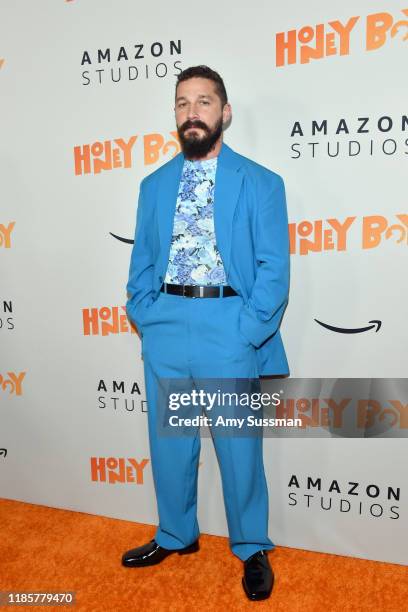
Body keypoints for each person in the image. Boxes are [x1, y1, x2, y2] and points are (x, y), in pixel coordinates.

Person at [122, 65, 290, 601]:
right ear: (175, 115)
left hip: (229, 327)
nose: (192, 112)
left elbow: (273, 268)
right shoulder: (153, 185)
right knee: (170, 445)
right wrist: (145, 314)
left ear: (225, 112)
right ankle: (175, 533)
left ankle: (250, 546)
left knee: (239, 447)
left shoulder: (261, 182)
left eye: (204, 101)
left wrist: (247, 330)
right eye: (182, 103)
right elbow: (142, 262)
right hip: (166, 325)